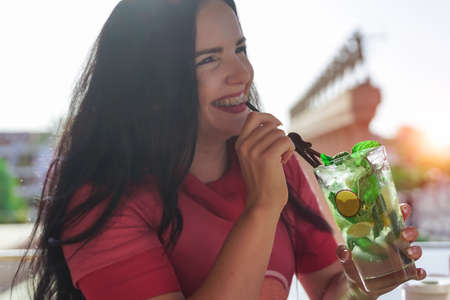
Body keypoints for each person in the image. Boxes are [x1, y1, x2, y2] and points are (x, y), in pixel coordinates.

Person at [16, 0, 426, 299]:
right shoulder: (101, 198)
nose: (242, 73)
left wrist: (365, 282)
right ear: (152, 86)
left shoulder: (278, 166)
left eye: (240, 49)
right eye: (209, 60)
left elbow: (327, 288)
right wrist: (262, 209)